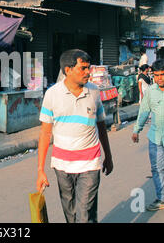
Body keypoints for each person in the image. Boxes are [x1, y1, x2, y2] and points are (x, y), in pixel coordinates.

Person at [37, 49, 113, 223]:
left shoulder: (94, 92)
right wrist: (40, 170)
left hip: (90, 163)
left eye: (89, 68)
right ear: (68, 70)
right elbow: (45, 133)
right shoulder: (52, 94)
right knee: (70, 214)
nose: (88, 73)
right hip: (62, 165)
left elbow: (101, 126)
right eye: (83, 68)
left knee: (84, 214)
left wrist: (108, 156)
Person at [132, 59, 164, 211]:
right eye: (156, 75)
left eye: (162, 75)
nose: (159, 78)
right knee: (157, 169)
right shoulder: (151, 91)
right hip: (155, 137)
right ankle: (163, 199)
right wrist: (136, 130)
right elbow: (144, 111)